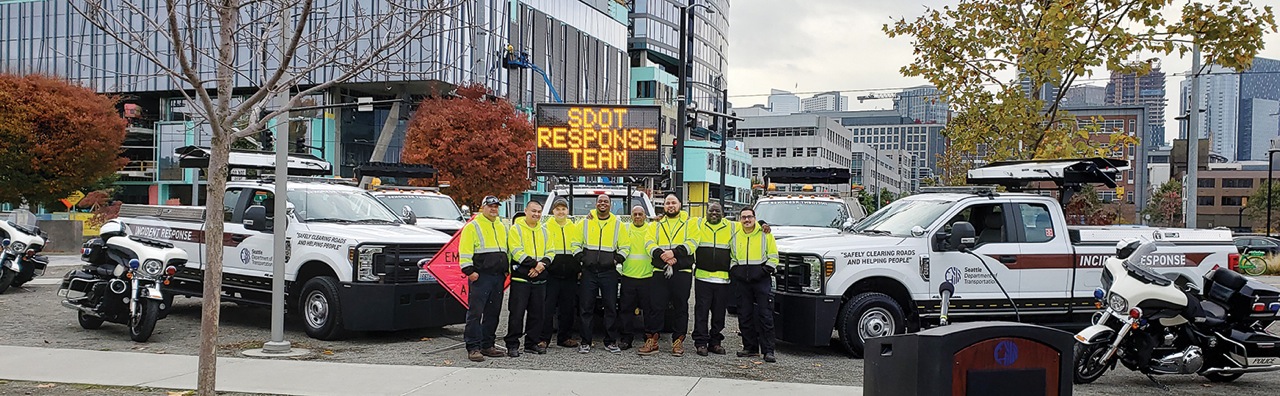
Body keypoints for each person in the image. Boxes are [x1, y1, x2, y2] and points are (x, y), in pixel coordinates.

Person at [640, 194, 696, 357]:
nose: (670, 205)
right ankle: (653, 340)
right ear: (663, 206)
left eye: (673, 202)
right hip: (660, 270)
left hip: (682, 271)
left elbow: (693, 242)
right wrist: (660, 254)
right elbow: (649, 242)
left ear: (680, 204)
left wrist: (674, 253)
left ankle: (678, 342)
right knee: (655, 306)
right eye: (667, 203)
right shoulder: (656, 224)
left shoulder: (689, 223)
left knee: (680, 307)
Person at [458, 196, 511, 362]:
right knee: (475, 313)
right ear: (483, 208)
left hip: (497, 277)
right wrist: (469, 271)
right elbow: (465, 250)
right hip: (480, 277)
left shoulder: (501, 226)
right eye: (490, 206)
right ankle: (473, 347)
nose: (493, 209)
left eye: (496, 206)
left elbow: (506, 250)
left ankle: (488, 345)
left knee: (493, 313)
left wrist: (506, 271)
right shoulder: (473, 226)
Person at [575, 194, 626, 354]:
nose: (602, 203)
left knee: (611, 308)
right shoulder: (585, 222)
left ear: (611, 204)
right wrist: (582, 259)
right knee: (586, 308)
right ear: (596, 204)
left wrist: (615, 260)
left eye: (606, 201)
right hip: (589, 272)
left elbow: (625, 247)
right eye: (600, 201)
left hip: (609, 272)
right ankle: (585, 342)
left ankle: (610, 341)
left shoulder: (618, 224)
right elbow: (574, 244)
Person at [731, 207, 779, 363]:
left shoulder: (765, 234)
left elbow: (773, 256)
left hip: (761, 280)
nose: (746, 220)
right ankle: (750, 348)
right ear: (740, 219)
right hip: (742, 281)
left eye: (749, 217)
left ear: (755, 218)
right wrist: (735, 270)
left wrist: (764, 271)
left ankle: (768, 351)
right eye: (743, 217)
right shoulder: (736, 235)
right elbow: (732, 256)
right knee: (744, 315)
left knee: (765, 315)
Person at [505, 201, 549, 357]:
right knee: (516, 314)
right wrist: (535, 264)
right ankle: (512, 344)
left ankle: (531, 343)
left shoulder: (544, 230)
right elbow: (516, 251)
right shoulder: (515, 229)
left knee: (537, 314)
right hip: (521, 280)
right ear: (525, 211)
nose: (536, 214)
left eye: (539, 211)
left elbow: (551, 251)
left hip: (539, 279)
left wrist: (542, 265)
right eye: (533, 211)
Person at [691, 202, 735, 356]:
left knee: (719, 314)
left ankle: (715, 342)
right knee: (701, 312)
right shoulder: (697, 224)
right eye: (711, 211)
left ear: (722, 213)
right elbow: (680, 219)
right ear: (706, 212)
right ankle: (701, 342)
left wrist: (762, 225)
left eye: (717, 211)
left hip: (722, 280)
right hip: (703, 278)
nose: (714, 213)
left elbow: (748, 227)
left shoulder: (731, 227)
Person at [540, 198, 582, 350]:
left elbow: (579, 248)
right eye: (558, 209)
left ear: (568, 211)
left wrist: (578, 269)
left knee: (568, 308)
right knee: (548, 308)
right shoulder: (545, 227)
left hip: (570, 274)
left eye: (563, 209)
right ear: (553, 211)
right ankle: (544, 339)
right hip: (551, 274)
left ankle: (564, 338)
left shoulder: (575, 227)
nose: (561, 211)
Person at [619, 205, 655, 350]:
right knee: (626, 310)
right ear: (631, 216)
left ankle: (649, 337)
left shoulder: (652, 229)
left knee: (649, 310)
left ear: (645, 216)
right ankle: (626, 338)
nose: (638, 216)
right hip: (628, 276)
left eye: (640, 214)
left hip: (648, 276)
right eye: (635, 214)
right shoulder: (624, 228)